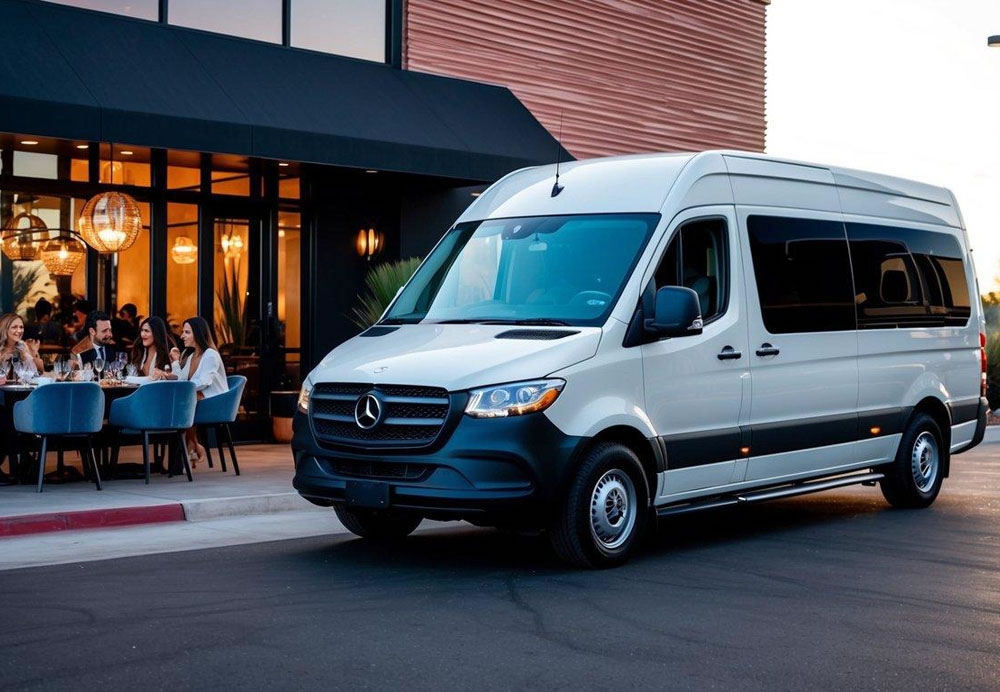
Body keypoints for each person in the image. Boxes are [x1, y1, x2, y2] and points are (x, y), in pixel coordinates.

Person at [161, 317, 228, 465]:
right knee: (183, 403)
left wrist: (185, 388)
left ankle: (186, 451)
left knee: (183, 404)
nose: (182, 336)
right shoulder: (192, 356)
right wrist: (176, 361)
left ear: (197, 334)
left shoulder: (210, 354)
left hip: (216, 404)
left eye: (187, 332)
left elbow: (205, 381)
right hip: (200, 400)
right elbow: (181, 378)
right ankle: (192, 447)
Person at [0, 312, 43, 377]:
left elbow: (35, 374)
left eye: (21, 327)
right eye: (14, 327)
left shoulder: (23, 348)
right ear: (5, 329)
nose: (19, 331)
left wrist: (31, 356)